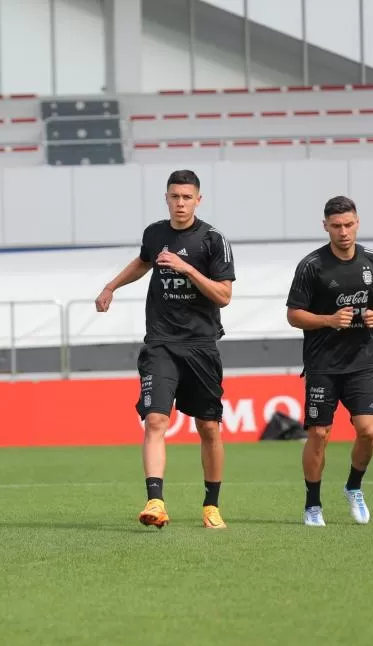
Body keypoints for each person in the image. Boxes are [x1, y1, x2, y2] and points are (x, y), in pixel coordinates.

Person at [94, 169, 235, 530]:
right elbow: (143, 262)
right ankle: (155, 501)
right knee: (156, 420)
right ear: (167, 198)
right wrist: (111, 286)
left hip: (201, 345)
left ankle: (211, 505)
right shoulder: (155, 233)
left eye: (187, 197)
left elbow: (224, 295)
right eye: (175, 196)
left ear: (198, 200)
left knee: (208, 428)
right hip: (161, 343)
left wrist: (187, 268)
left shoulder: (213, 239)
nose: (180, 203)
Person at [285, 196, 373, 527]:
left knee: (369, 431)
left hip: (361, 361)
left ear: (358, 222)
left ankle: (353, 488)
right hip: (322, 365)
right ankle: (313, 504)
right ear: (325, 226)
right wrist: (329, 320)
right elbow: (293, 315)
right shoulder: (311, 266)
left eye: (348, 224)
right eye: (336, 226)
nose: (343, 232)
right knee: (320, 433)